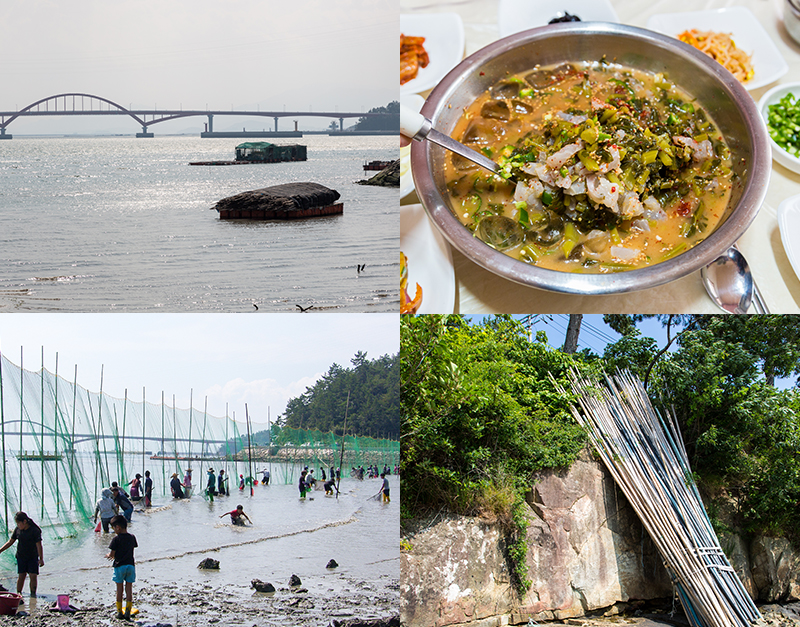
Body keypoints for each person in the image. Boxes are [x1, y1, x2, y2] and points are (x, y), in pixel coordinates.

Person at [0, 512, 44, 600]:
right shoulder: (18, 530)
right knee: (21, 575)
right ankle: (19, 594)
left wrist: (41, 559)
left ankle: (33, 595)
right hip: (21, 556)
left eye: (19, 523)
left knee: (33, 576)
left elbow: (39, 545)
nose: (18, 525)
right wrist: (0, 550)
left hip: (32, 557)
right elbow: (10, 542)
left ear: (24, 521)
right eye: (17, 524)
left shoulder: (35, 530)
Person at [106, 514, 138, 621]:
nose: (114, 530)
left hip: (119, 566)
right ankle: (128, 611)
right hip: (130, 566)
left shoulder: (116, 539)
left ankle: (119, 612)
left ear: (118, 527)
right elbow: (131, 549)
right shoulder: (132, 537)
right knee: (129, 589)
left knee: (119, 590)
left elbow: (112, 554)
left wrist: (108, 556)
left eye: (113, 528)